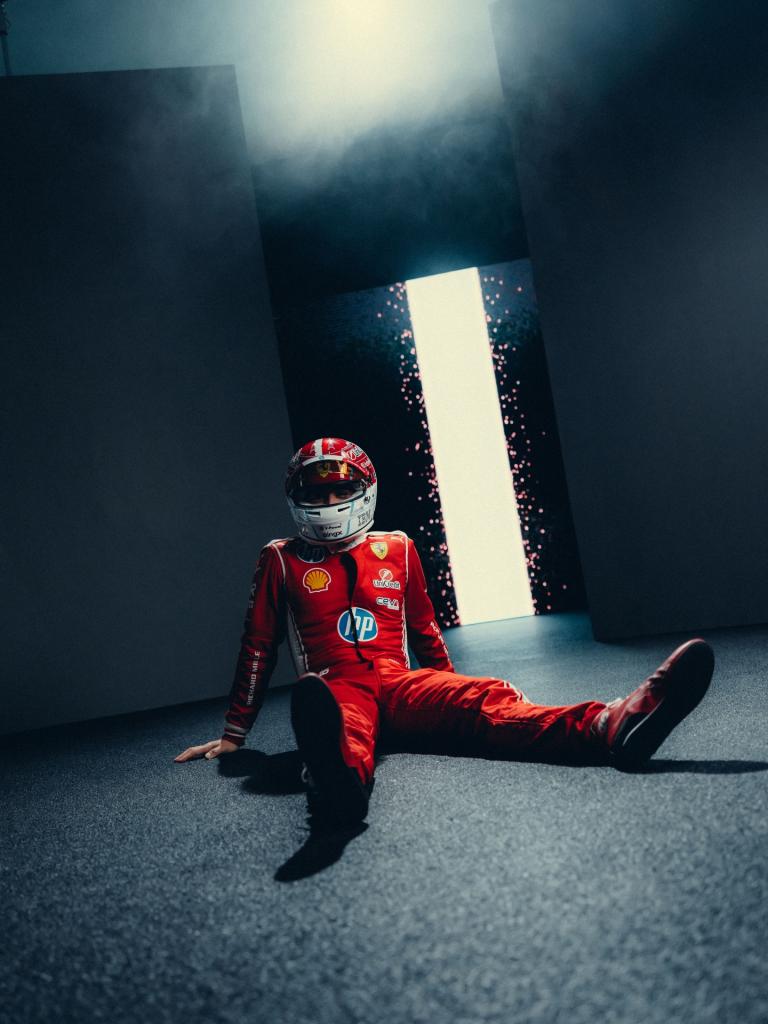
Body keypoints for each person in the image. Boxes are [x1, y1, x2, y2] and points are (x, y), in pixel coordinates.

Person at [175, 437, 715, 824]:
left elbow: (425, 628)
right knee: (340, 728)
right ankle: (335, 783)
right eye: (314, 495)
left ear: (364, 491)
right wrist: (235, 733)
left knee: (487, 699)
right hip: (336, 684)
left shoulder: (397, 547)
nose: (327, 504)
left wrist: (449, 692)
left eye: (338, 491)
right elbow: (258, 647)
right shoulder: (280, 558)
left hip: (400, 680)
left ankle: (610, 724)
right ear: (296, 500)